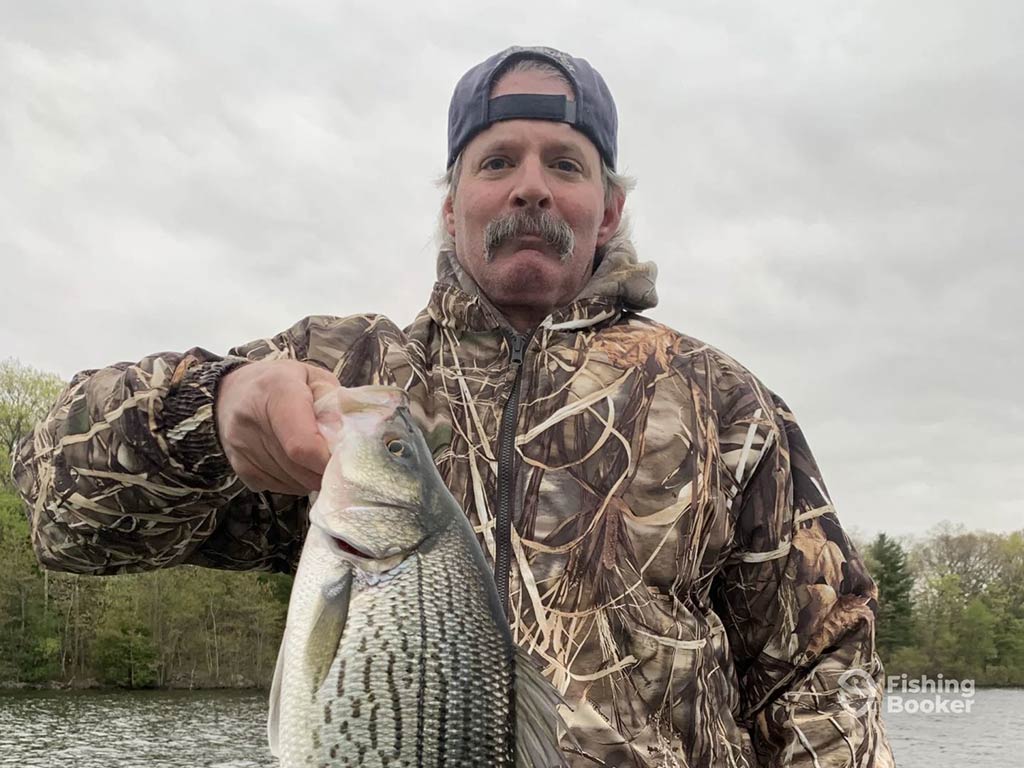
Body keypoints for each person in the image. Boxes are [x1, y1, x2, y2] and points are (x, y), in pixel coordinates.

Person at [13, 45, 895, 767]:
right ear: (450, 207)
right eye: (497, 161)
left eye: (566, 164)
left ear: (610, 208)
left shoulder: (721, 402)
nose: (531, 187)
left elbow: (821, 668)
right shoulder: (345, 377)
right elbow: (56, 511)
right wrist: (208, 412)